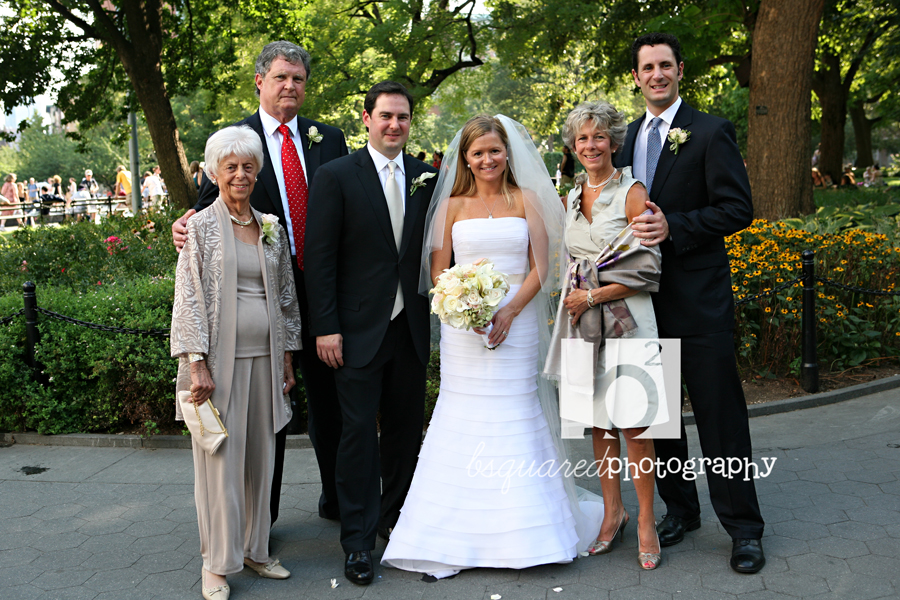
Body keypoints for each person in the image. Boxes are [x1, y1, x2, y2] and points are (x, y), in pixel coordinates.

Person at [381, 114, 604, 579]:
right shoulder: (451, 206)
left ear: (507, 153)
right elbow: (438, 271)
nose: (487, 159)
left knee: (515, 412)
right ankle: (453, 535)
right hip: (465, 332)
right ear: (465, 158)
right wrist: (466, 306)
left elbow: (543, 267)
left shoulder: (526, 200)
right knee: (462, 414)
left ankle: (526, 535)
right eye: (478, 152)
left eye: (495, 151)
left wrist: (509, 310)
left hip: (515, 326)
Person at [171, 41, 349, 529]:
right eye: (280, 77)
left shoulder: (329, 139)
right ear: (260, 82)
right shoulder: (235, 139)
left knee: (332, 406)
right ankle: (260, 522)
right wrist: (183, 225)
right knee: (268, 411)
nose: (290, 86)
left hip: (325, 295)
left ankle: (339, 503)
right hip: (262, 301)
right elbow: (207, 208)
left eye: (298, 78)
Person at [614, 32, 763, 574]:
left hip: (699, 301)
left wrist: (673, 226)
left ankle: (744, 529)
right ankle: (681, 510)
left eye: (665, 65)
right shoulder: (625, 139)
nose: (656, 74)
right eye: (647, 67)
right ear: (636, 77)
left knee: (719, 418)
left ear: (680, 70)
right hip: (641, 302)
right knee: (659, 418)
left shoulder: (710, 131)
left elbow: (737, 208)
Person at [304, 81, 438, 585]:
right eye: (385, 116)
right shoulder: (336, 175)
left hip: (410, 330)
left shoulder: (427, 177)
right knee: (358, 436)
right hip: (355, 331)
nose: (394, 125)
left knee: (405, 433)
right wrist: (326, 328)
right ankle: (358, 543)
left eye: (402, 117)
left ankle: (394, 521)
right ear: (366, 119)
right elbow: (319, 258)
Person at [171, 125, 302, 600]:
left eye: (248, 166)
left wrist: (287, 358)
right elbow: (187, 298)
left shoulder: (270, 226)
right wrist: (196, 364)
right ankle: (216, 565)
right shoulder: (200, 227)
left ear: (257, 171)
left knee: (260, 461)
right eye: (231, 167)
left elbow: (286, 297)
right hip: (217, 367)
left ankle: (256, 550)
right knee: (221, 464)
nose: (240, 175)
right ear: (214, 173)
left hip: (266, 361)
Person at [547, 101, 664, 570]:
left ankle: (647, 522)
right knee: (599, 425)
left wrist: (592, 296)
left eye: (599, 137)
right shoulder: (572, 196)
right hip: (582, 324)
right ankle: (613, 514)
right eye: (582, 138)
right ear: (573, 146)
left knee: (636, 426)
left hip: (628, 321)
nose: (590, 145)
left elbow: (649, 269)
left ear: (614, 142)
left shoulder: (632, 192)